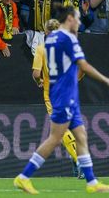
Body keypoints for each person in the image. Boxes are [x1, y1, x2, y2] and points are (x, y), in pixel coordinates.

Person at [14, 5, 109, 194]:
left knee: (81, 136)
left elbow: (43, 71)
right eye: (76, 18)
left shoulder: (49, 42)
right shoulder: (67, 40)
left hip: (61, 93)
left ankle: (91, 181)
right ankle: (24, 176)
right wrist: (107, 80)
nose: (78, 22)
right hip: (64, 96)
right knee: (55, 138)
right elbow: (83, 67)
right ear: (68, 20)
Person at [32, 18, 85, 179]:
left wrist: (39, 81)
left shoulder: (42, 49)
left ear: (46, 33)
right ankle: (75, 160)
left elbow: (35, 73)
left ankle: (78, 161)